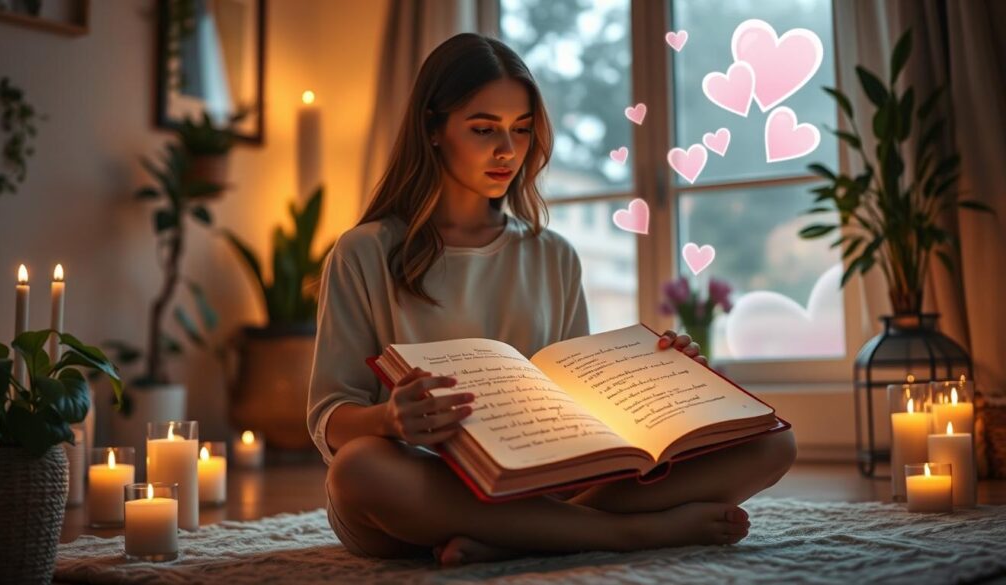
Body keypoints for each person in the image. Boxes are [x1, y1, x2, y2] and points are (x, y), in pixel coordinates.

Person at [307, 32, 797, 567]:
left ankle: (523, 538)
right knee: (358, 468)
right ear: (433, 130)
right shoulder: (364, 252)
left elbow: (577, 402)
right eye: (483, 129)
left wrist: (667, 381)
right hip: (422, 488)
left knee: (771, 443)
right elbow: (331, 413)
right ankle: (625, 534)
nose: (507, 150)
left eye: (521, 129)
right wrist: (391, 421)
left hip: (547, 484)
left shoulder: (553, 254)